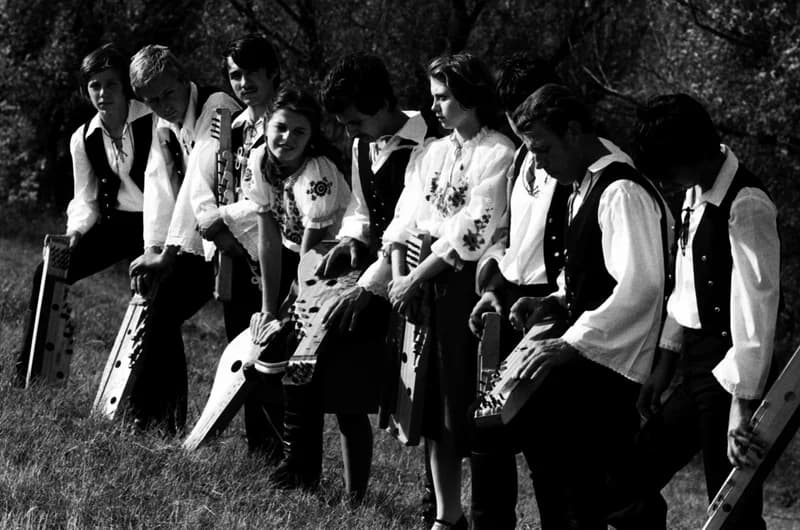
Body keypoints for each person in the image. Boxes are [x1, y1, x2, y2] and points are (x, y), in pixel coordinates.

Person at [606, 94, 779, 530]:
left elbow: (757, 310)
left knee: (731, 511)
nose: (667, 181)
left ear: (692, 152)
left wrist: (743, 404)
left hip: (734, 369)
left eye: (669, 169)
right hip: (696, 366)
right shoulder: (694, 190)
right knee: (629, 478)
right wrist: (664, 364)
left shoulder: (747, 203)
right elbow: (685, 288)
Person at [505, 84, 672, 529]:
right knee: (563, 477)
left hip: (610, 368)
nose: (539, 163)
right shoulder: (584, 185)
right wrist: (552, 300)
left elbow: (641, 286)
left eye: (543, 149)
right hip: (589, 358)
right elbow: (589, 271)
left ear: (574, 131)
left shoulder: (621, 191)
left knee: (607, 492)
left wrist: (571, 342)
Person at [266, 52, 430, 503]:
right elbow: (361, 207)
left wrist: (366, 287)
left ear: (383, 104)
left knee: (375, 393)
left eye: (356, 121)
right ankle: (302, 470)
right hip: (366, 272)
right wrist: (351, 239)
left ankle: (389, 499)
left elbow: (411, 227)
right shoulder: (362, 145)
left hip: (408, 281)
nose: (350, 132)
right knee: (309, 352)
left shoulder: (427, 145)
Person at [384, 53, 515, 530]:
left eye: (443, 97)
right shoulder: (431, 152)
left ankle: (480, 515)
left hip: (461, 287)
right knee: (427, 401)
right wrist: (400, 278)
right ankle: (446, 513)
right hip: (416, 284)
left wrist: (416, 278)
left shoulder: (498, 153)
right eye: (433, 96)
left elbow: (473, 230)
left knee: (459, 400)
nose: (435, 107)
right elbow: (404, 218)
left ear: (469, 96)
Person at [466, 53, 567, 530]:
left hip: (554, 308)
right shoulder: (522, 158)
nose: (520, 123)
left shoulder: (576, 161)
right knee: (486, 432)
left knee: (548, 449)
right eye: (513, 113)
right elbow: (508, 237)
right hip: (511, 301)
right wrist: (493, 287)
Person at [15, 43, 153, 385]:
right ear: (85, 91)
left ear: (125, 86)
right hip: (115, 223)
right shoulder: (84, 137)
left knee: (152, 300)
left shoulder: (155, 121)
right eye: (95, 86)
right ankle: (34, 373)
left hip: (155, 225)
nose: (103, 93)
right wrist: (75, 232)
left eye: (111, 84)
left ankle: (145, 396)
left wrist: (159, 245)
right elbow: (86, 198)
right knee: (47, 272)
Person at [127, 44, 240, 433]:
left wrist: (168, 252)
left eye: (167, 94)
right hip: (196, 239)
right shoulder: (163, 123)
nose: (163, 106)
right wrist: (152, 248)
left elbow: (199, 179)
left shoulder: (217, 106)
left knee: (240, 341)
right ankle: (158, 420)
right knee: (161, 310)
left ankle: (160, 419)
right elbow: (157, 183)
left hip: (235, 241)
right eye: (152, 101)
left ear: (182, 77)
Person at [182, 35, 284, 455]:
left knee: (273, 354)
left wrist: (222, 218)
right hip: (236, 256)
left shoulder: (286, 126)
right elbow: (207, 185)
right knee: (241, 349)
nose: (244, 83)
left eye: (252, 73)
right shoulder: (232, 128)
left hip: (278, 255)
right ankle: (258, 450)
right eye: (235, 75)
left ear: (273, 73)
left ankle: (281, 453)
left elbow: (274, 198)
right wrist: (219, 228)